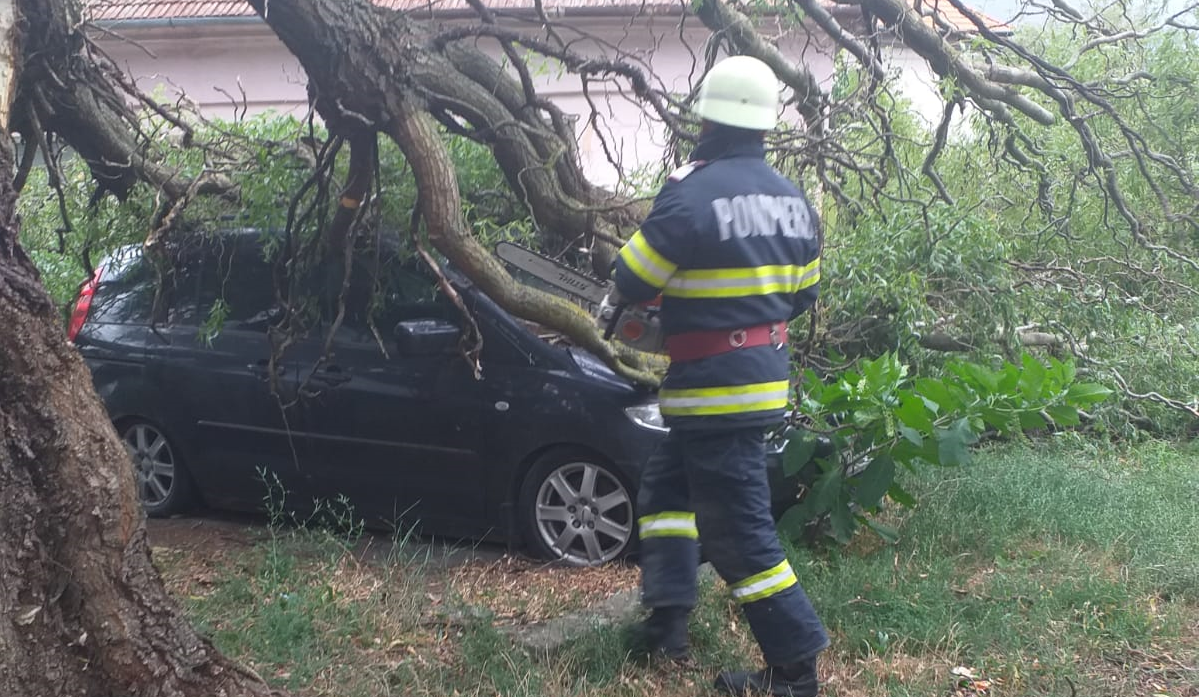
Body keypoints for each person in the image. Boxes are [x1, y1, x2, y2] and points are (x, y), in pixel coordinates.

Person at [604, 55, 828, 696]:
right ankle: (666, 624)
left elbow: (632, 279)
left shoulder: (689, 192)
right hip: (756, 383)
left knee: (740, 536)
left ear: (707, 118)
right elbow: (802, 295)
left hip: (712, 392)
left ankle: (795, 671)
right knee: (667, 497)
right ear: (764, 125)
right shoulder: (793, 201)